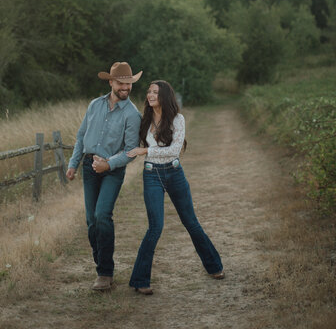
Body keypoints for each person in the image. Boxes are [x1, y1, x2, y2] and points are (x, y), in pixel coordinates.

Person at [126, 80, 224, 295]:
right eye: (149, 92)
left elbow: (174, 150)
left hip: (174, 172)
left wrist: (145, 152)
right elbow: (130, 145)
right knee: (155, 227)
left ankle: (214, 266)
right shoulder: (144, 120)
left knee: (191, 222)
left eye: (155, 92)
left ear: (165, 96)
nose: (150, 95)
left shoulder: (177, 119)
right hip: (152, 175)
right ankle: (140, 280)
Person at [66, 62, 142, 291]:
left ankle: (105, 273)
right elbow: (81, 137)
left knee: (102, 215)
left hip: (112, 170)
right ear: (111, 82)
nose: (125, 88)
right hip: (89, 167)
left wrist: (108, 165)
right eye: (121, 83)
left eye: (128, 84)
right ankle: (101, 263)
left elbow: (130, 151)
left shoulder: (132, 114)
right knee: (91, 222)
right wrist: (73, 164)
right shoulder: (94, 105)